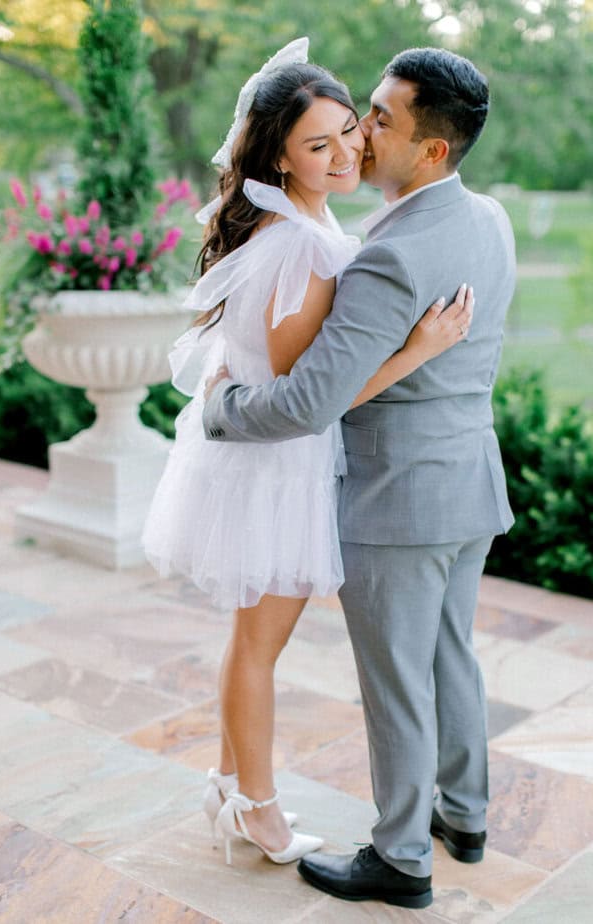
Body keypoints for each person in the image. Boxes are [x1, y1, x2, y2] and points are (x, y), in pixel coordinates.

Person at [143, 38, 472, 869]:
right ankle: (257, 808)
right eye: (315, 145)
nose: (343, 152)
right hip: (275, 469)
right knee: (259, 646)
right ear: (280, 159)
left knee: (251, 639)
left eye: (346, 133)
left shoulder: (310, 225)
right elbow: (310, 397)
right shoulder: (304, 244)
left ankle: (227, 785)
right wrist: (418, 351)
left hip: (275, 459)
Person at [202, 47, 515, 907]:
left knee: (397, 680)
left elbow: (307, 403)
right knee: (451, 656)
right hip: (470, 481)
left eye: (381, 119)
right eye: (363, 112)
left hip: (396, 498)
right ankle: (466, 814)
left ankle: (402, 857)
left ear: (431, 151)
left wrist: (219, 413)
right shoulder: (489, 218)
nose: (363, 132)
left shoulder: (384, 254)